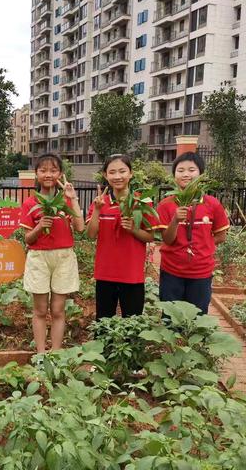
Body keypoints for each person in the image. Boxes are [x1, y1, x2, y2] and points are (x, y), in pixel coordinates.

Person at [19, 154, 84, 354]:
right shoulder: (30, 203)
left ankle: (55, 353)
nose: (48, 174)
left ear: (60, 174)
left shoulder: (66, 200)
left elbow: (80, 227)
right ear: (36, 174)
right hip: (38, 257)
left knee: (58, 310)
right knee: (39, 310)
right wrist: (39, 227)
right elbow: (27, 239)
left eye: (53, 170)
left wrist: (73, 200)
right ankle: (40, 353)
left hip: (63, 256)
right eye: (43, 170)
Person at [156, 152, 229, 314]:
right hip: (171, 271)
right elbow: (167, 240)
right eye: (180, 170)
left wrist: (202, 246)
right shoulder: (166, 204)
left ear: (200, 174)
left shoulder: (212, 204)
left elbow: (221, 236)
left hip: (201, 272)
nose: (186, 174)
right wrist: (175, 219)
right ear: (174, 175)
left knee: (198, 317)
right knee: (171, 318)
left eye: (191, 170)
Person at [86, 154, 155, 319]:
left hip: (132, 274)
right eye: (112, 172)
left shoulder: (142, 202)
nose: (117, 176)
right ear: (105, 175)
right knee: (103, 322)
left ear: (131, 173)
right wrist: (97, 210)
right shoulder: (100, 202)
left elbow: (150, 236)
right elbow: (90, 234)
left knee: (133, 322)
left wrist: (133, 229)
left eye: (122, 171)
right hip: (105, 273)